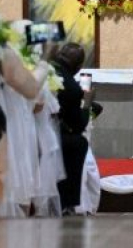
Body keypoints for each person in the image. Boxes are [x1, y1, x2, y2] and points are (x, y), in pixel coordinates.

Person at [53, 43, 94, 214]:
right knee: (79, 142)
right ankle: (68, 203)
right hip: (58, 136)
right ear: (78, 67)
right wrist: (88, 103)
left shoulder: (51, 70)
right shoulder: (72, 87)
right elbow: (78, 124)